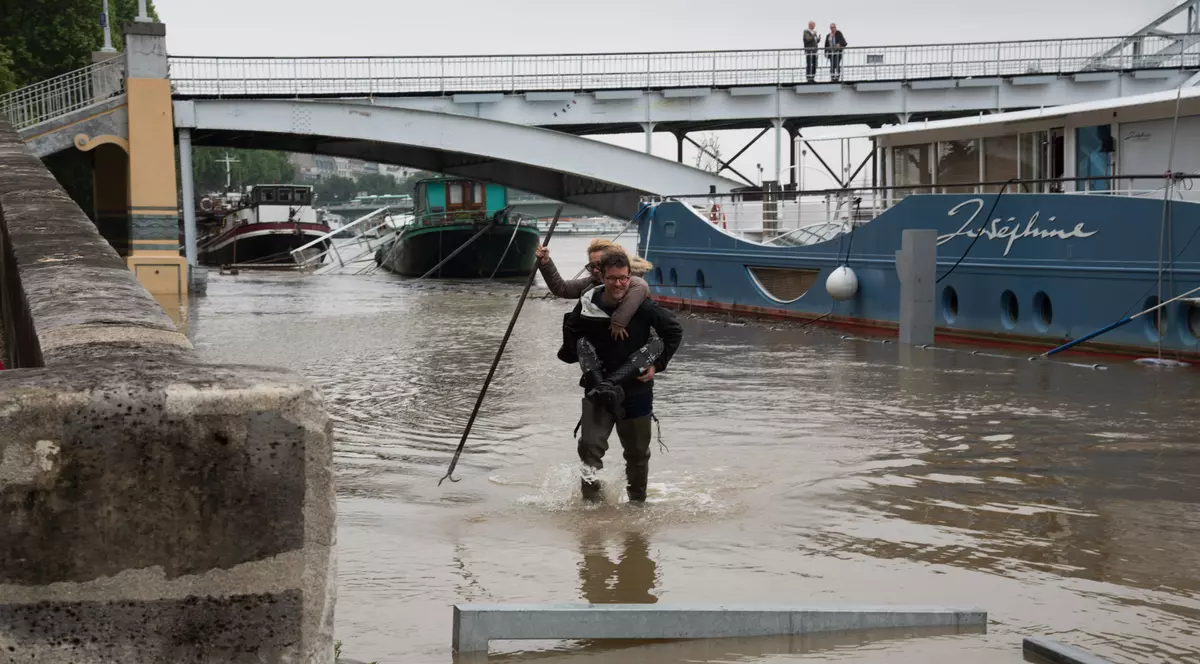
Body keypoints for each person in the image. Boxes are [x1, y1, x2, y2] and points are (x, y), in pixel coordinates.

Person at [558, 250, 683, 504]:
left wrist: (657, 364)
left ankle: (637, 506)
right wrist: (581, 358)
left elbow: (674, 331)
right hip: (597, 391)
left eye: (623, 278)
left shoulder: (644, 307)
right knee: (589, 450)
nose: (618, 284)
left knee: (637, 455)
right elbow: (572, 338)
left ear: (630, 277)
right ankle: (591, 509)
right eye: (612, 278)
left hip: (636, 391)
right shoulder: (587, 305)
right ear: (602, 277)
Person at [536, 238, 651, 340]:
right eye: (592, 266)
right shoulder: (594, 282)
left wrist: (618, 322)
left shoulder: (630, 282)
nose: (595, 270)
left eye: (599, 264)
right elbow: (562, 288)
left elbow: (640, 287)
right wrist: (546, 263)